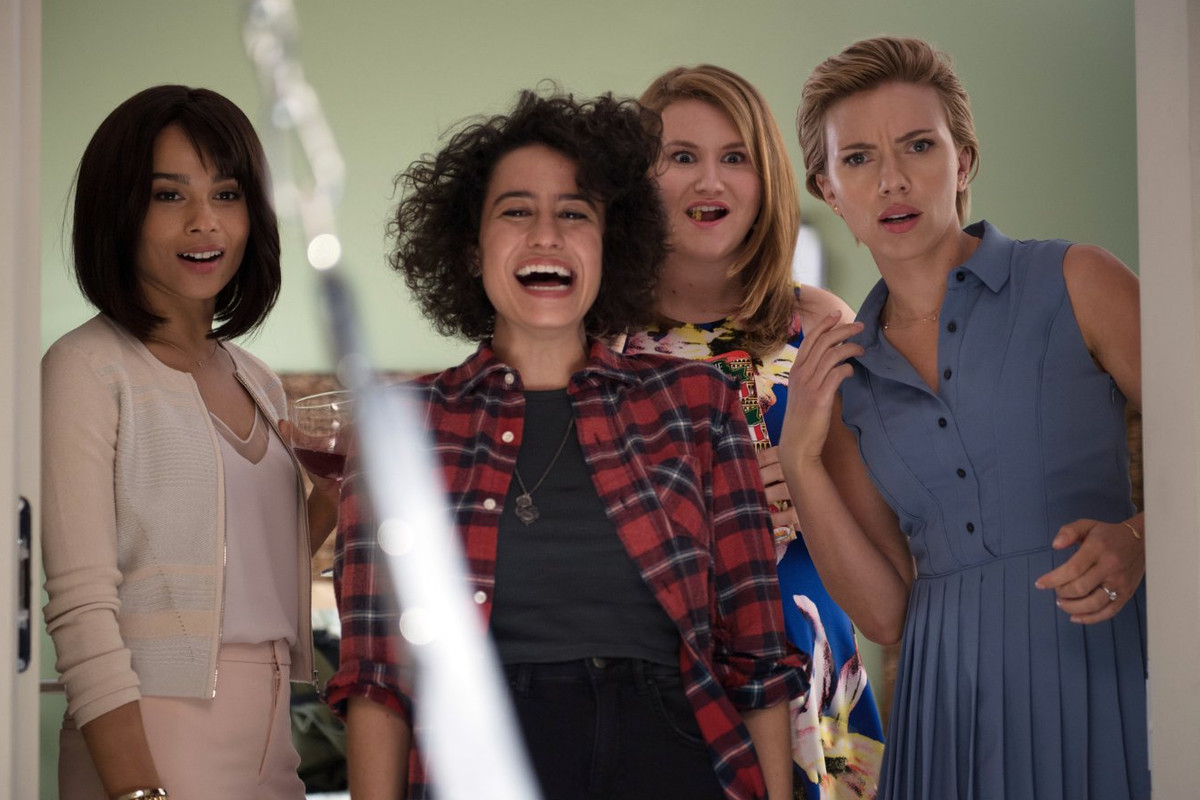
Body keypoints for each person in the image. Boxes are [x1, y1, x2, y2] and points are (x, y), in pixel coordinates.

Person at [325, 90, 804, 800]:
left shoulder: (699, 404)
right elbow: (377, 678)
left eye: (575, 214)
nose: (546, 235)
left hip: (673, 754)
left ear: (611, 246)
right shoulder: (398, 426)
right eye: (516, 211)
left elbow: (757, 659)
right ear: (471, 248)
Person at [785, 35, 1148, 799]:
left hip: (1103, 669)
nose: (892, 179)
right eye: (859, 159)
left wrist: (1143, 538)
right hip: (945, 710)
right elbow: (885, 614)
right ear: (829, 191)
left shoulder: (1078, 280)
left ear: (964, 162)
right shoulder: (846, 381)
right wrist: (800, 461)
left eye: (919, 145)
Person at [42, 85, 337, 800]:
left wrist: (334, 497)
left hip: (273, 742)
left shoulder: (259, 381)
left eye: (227, 194)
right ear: (120, 211)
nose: (205, 222)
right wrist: (137, 792)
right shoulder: (85, 368)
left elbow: (241, 572)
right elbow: (83, 612)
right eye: (169, 195)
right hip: (153, 737)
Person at [624, 64, 885, 798]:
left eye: (735, 157)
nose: (710, 181)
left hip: (809, 665)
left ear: (766, 177)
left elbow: (885, 524)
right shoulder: (598, 338)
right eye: (682, 157)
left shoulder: (822, 322)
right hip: (655, 676)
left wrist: (811, 489)